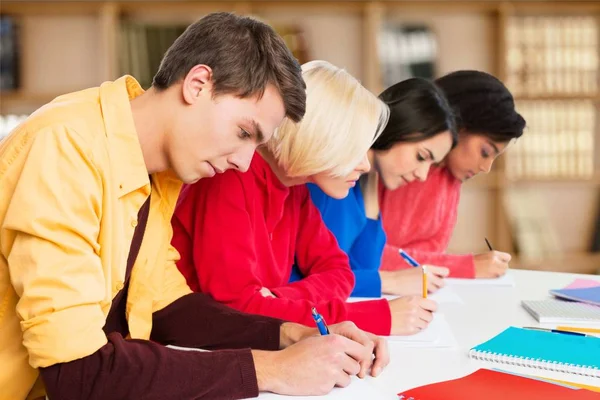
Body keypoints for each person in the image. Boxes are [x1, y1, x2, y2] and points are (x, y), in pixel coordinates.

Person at [0, 13, 388, 400]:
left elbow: (166, 306)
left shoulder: (157, 172)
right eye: (243, 132)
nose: (246, 163)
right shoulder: (66, 149)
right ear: (198, 84)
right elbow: (78, 374)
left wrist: (291, 334)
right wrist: (271, 370)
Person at [172, 69, 453, 337]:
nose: (365, 165)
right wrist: (368, 316)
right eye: (355, 149)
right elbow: (236, 310)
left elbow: (340, 273)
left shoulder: (296, 190)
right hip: (191, 345)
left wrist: (278, 297)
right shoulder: (229, 179)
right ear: (322, 135)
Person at [290, 78, 459, 299]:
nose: (422, 175)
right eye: (421, 157)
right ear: (397, 127)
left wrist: (371, 187)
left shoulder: (360, 184)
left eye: (431, 164)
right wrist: (393, 280)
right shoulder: (329, 181)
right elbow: (314, 279)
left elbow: (365, 266)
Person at [380, 70, 526, 286]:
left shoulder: (450, 178)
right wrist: (466, 266)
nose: (486, 167)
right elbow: (366, 257)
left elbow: (432, 256)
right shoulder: (399, 168)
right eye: (485, 152)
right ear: (457, 126)